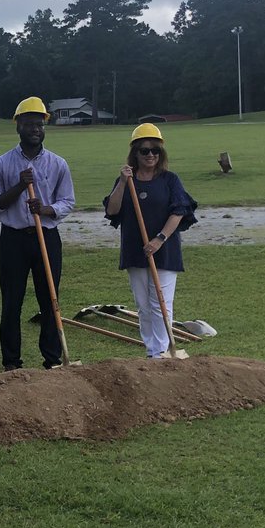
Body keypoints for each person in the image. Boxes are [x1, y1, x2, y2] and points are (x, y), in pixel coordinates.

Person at [0, 96, 76, 370]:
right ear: (18, 126)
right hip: (13, 238)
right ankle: (11, 362)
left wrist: (46, 209)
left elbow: (68, 202)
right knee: (12, 301)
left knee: (50, 299)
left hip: (46, 237)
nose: (35, 129)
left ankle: (52, 359)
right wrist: (20, 187)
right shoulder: (1, 164)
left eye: (39, 124)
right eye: (29, 124)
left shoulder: (58, 164)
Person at [103, 123, 198, 358]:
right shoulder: (126, 180)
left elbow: (179, 212)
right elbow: (113, 210)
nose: (150, 155)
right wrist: (123, 182)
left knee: (161, 303)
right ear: (135, 153)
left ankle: (161, 351)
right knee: (143, 306)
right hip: (136, 250)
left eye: (155, 150)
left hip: (163, 250)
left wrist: (159, 239)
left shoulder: (170, 180)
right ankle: (151, 351)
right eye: (144, 150)